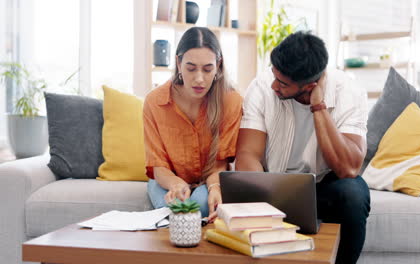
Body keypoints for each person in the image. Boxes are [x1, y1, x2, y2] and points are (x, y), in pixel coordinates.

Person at [235, 31, 370, 264]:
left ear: (310, 86)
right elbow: (248, 154)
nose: (275, 86)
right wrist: (259, 200)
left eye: (284, 84)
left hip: (323, 186)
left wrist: (318, 107)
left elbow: (349, 168)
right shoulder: (261, 87)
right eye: (274, 76)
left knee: (354, 194)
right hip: (272, 184)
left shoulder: (349, 92)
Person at [143, 27, 243, 221]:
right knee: (176, 211)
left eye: (207, 69)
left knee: (200, 209)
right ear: (178, 63)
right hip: (167, 179)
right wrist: (175, 184)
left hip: (211, 179)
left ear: (218, 65)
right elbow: (158, 166)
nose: (199, 79)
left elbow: (220, 164)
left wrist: (214, 187)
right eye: (190, 68)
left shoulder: (231, 101)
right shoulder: (154, 102)